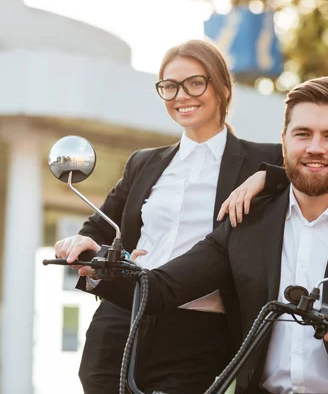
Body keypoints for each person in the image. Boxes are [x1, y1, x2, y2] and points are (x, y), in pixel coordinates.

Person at [80, 76, 328, 394]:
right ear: (283, 142)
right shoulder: (247, 221)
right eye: (302, 134)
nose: (315, 147)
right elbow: (164, 287)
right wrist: (98, 268)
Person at [53, 39, 283, 394]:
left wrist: (268, 176)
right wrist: (84, 244)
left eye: (195, 82)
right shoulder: (144, 162)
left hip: (198, 329)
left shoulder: (260, 160)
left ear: (222, 88)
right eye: (170, 86)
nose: (181, 96)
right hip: (122, 316)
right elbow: (99, 226)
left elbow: (314, 170)